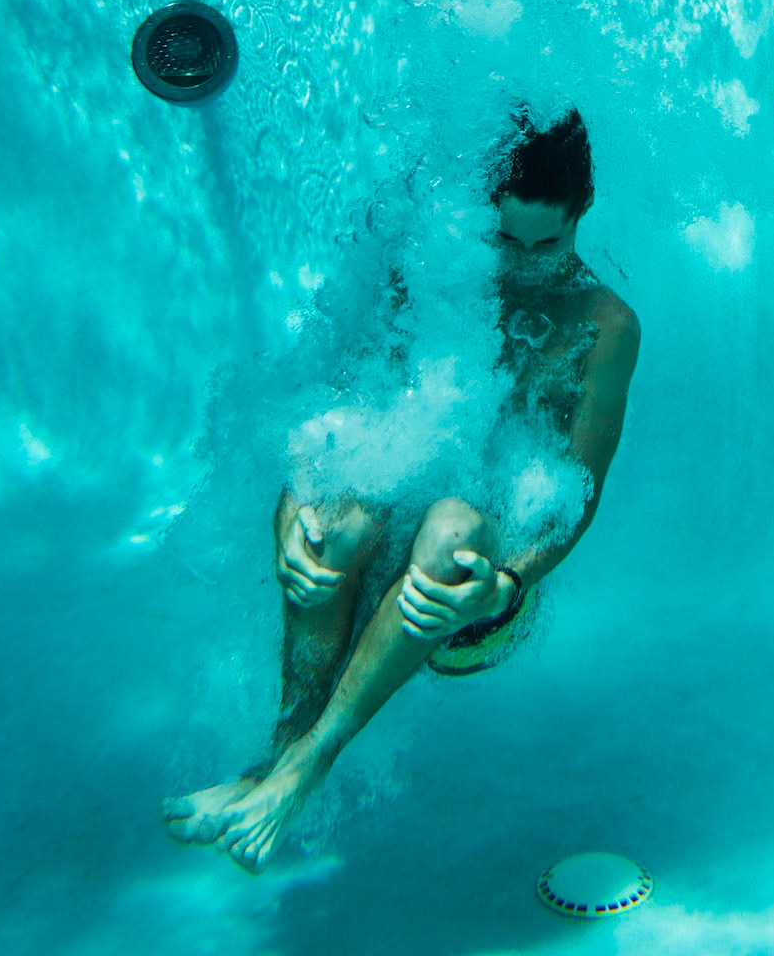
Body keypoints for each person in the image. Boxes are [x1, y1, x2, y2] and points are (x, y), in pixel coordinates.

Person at [162, 107, 639, 873]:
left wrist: (507, 583)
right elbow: (338, 420)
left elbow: (580, 491)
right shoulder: (432, 277)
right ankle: (273, 760)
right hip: (395, 546)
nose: (523, 264)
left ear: (581, 214)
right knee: (336, 522)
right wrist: (293, 515)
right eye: (504, 240)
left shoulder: (605, 325)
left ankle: (306, 765)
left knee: (450, 527)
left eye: (547, 244)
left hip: (477, 590)